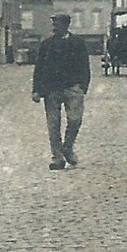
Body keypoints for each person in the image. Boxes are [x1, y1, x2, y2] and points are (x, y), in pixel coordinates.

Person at [31, 13, 91, 170]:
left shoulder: (78, 43)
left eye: (57, 24)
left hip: (73, 88)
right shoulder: (46, 45)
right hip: (52, 90)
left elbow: (85, 66)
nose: (54, 27)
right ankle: (57, 158)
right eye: (53, 24)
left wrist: (83, 86)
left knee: (75, 119)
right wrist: (36, 90)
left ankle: (68, 147)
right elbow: (39, 68)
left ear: (66, 25)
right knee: (53, 124)